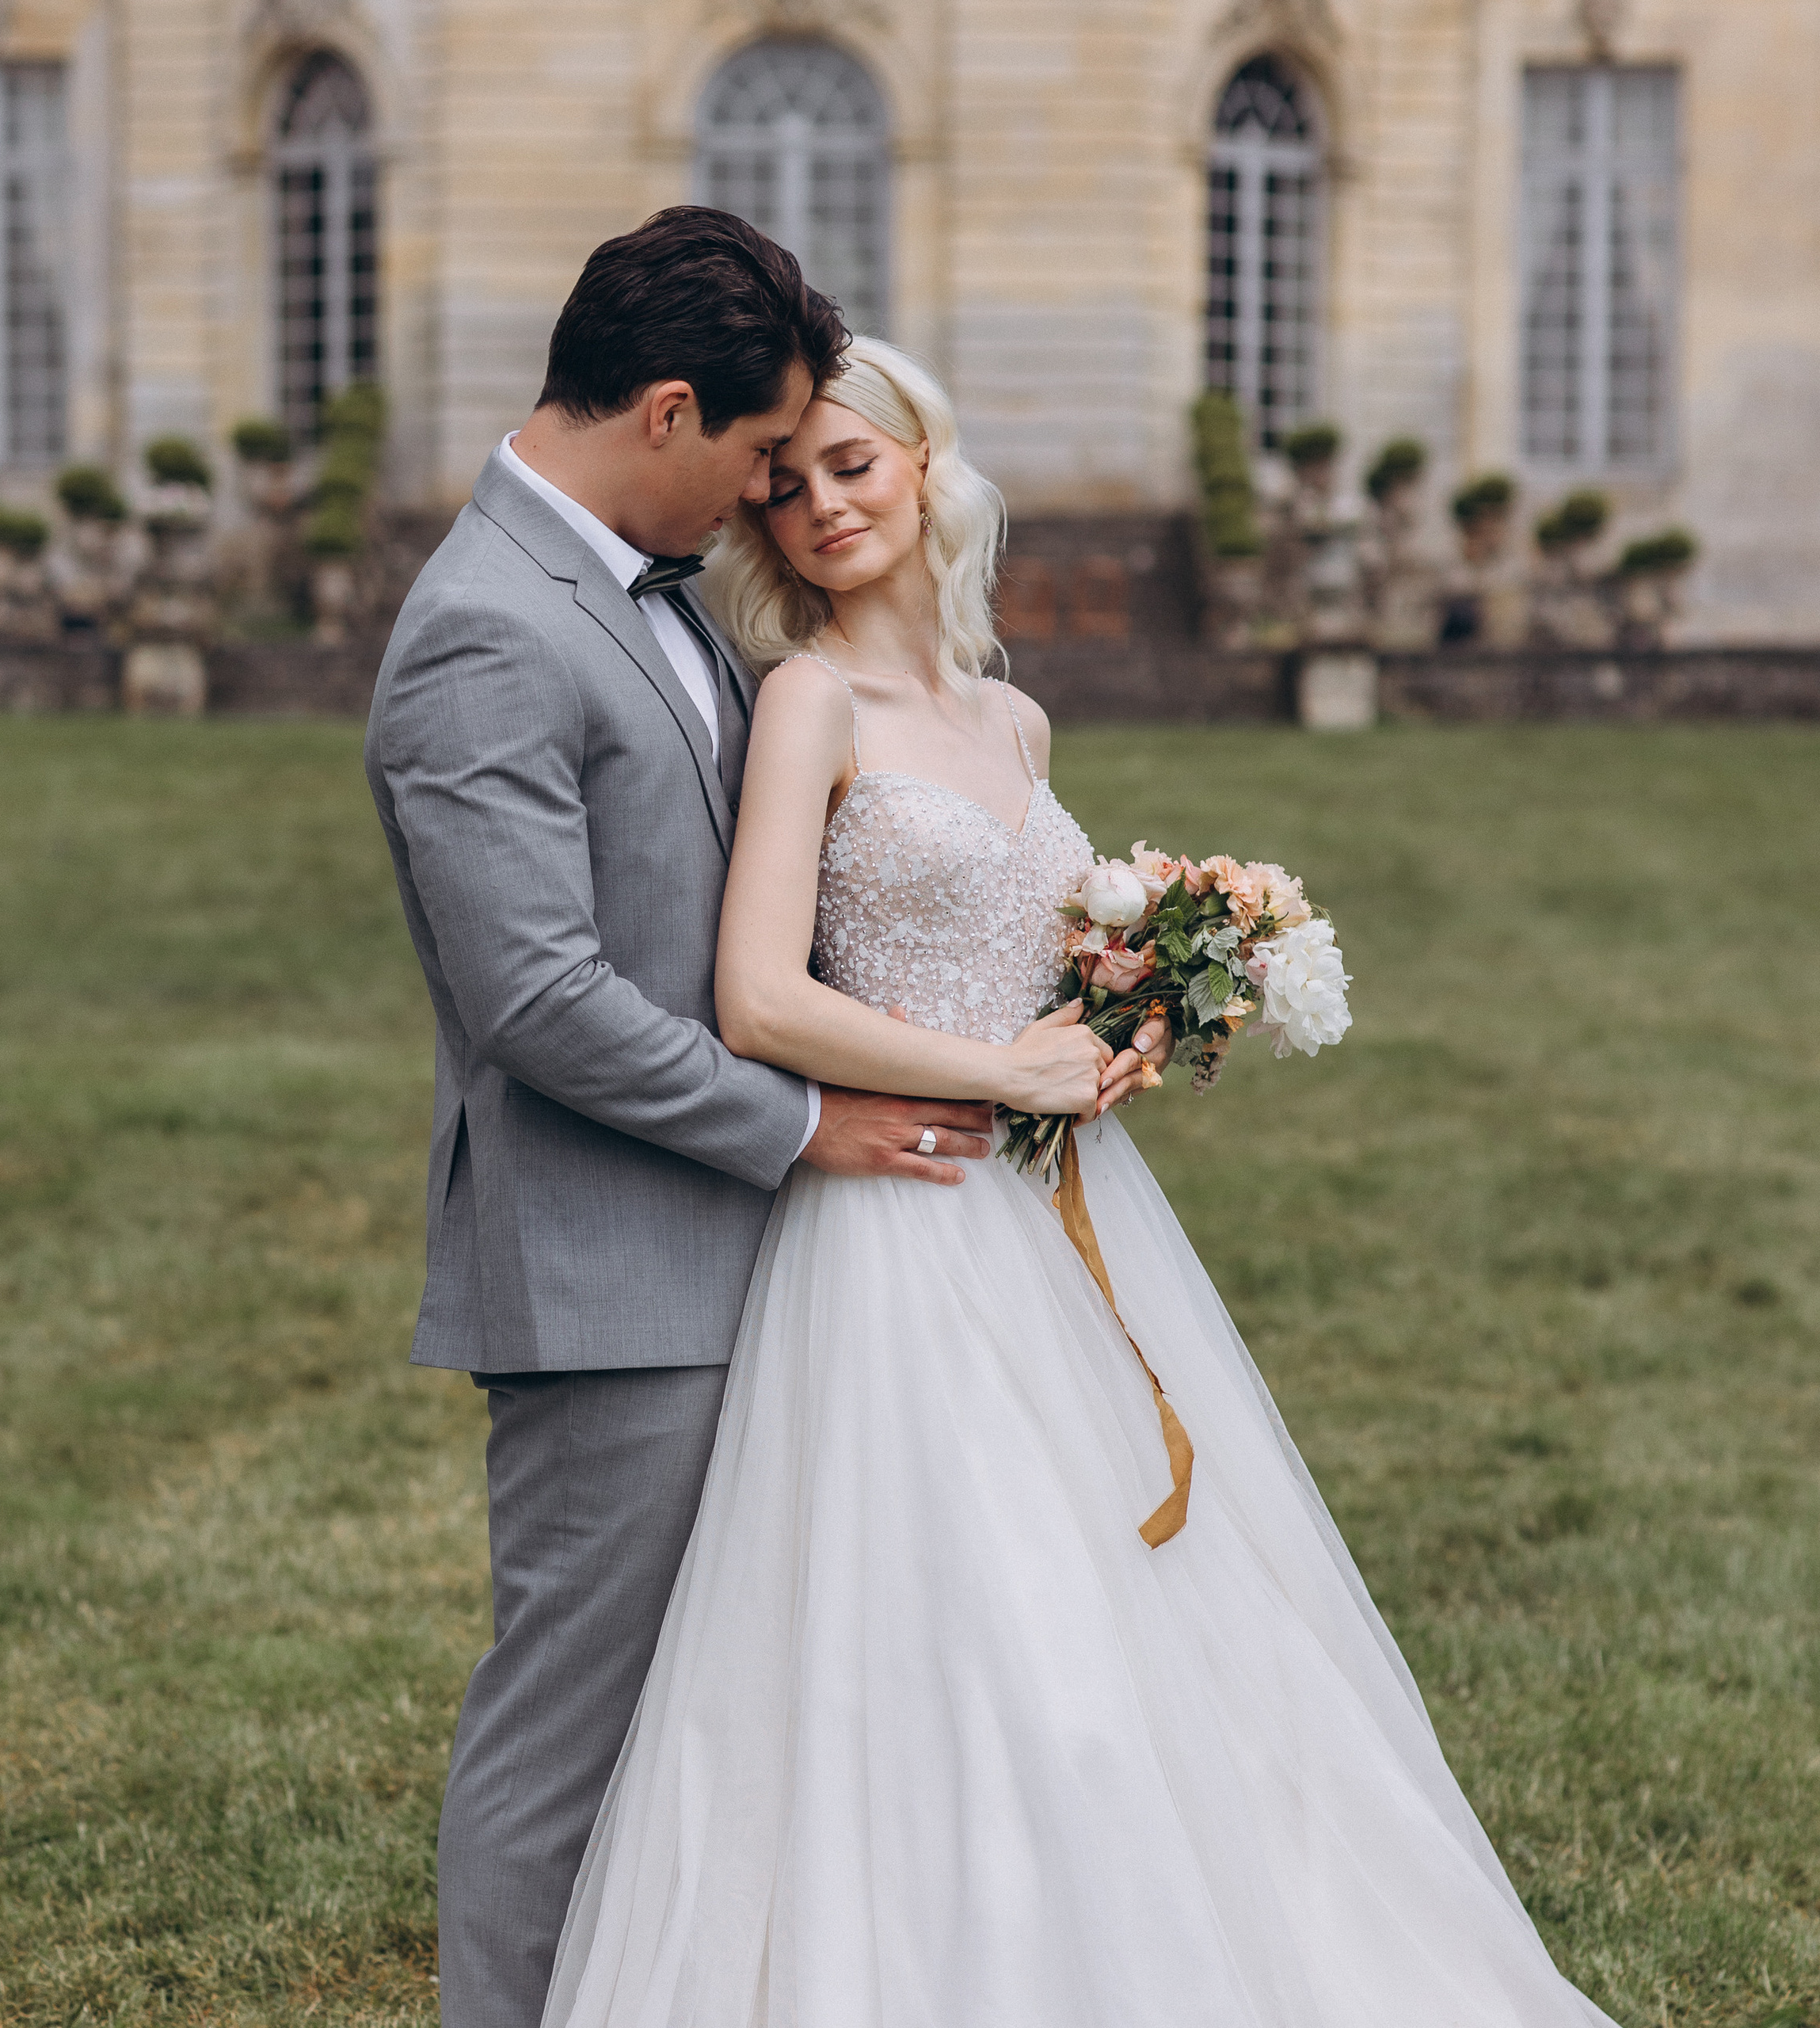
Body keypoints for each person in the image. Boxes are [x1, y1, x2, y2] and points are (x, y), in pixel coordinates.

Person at [537, 338, 1620, 2028]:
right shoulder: (808, 700)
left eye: (850, 465)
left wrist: (1125, 1013)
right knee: (985, 1631)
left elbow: (1012, 952)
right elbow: (756, 995)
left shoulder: (1010, 712)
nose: (819, 503)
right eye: (787, 482)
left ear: (922, 466)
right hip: (899, 1217)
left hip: (1063, 1208)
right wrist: (995, 1072)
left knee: (1159, 1604)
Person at [364, 213, 1116, 2028]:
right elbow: (534, 1000)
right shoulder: (479, 628)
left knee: (768, 1723)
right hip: (619, 1276)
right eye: (760, 459)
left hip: (788, 1268)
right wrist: (805, 1123)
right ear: (671, 409)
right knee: (577, 1734)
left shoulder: (655, 599)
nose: (772, 496)